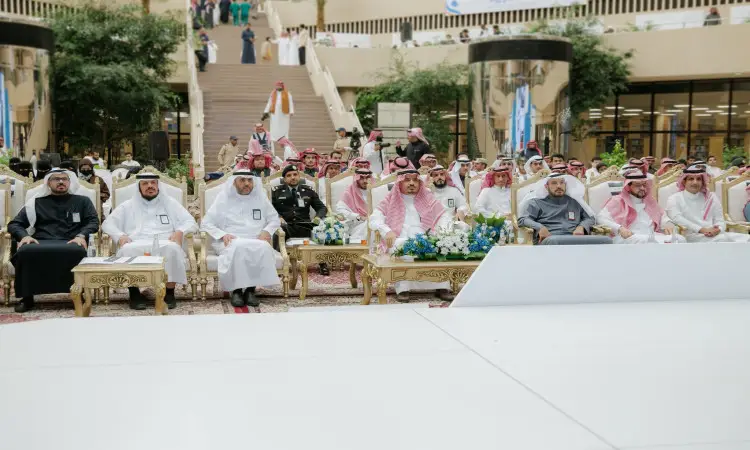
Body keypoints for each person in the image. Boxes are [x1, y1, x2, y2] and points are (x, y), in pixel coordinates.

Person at [101, 173, 199, 310]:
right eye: (145, 183)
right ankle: (134, 294)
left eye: (153, 183)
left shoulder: (170, 203)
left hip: (165, 240)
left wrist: (180, 231)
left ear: (158, 185)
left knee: (173, 249)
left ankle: (169, 294)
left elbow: (190, 222)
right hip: (136, 241)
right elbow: (107, 224)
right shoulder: (128, 205)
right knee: (126, 250)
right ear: (139, 187)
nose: (150, 186)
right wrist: (120, 236)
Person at [8, 169, 99, 312]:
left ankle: (78, 294)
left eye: (64, 179)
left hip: (72, 240)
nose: (61, 182)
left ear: (70, 182)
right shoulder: (36, 202)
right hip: (41, 241)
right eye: (56, 179)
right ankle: (27, 298)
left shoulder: (82, 201)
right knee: (25, 250)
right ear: (48, 183)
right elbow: (15, 224)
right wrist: (24, 236)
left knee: (76, 251)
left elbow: (93, 222)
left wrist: (81, 235)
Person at [369, 170, 454, 302]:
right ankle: (403, 288)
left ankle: (442, 285)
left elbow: (444, 215)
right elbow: (374, 219)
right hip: (399, 239)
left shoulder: (428, 197)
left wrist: (442, 231)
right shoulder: (390, 199)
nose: (412, 183)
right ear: (399, 182)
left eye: (415, 180)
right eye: (407, 180)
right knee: (403, 246)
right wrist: (387, 231)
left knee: (438, 245)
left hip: (425, 237)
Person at [201, 170, 281, 307]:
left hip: (256, 239)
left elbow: (274, 220)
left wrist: (266, 231)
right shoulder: (223, 198)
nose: (246, 184)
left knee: (262, 247)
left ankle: (250, 290)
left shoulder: (260, 198)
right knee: (238, 247)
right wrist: (222, 234)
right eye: (242, 180)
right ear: (234, 182)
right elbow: (206, 223)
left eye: (249, 180)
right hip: (230, 240)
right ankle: (236, 291)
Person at [665, 165, 750, 243]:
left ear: (702, 182)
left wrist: (718, 229)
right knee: (723, 240)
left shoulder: (711, 197)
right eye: (691, 179)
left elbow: (720, 220)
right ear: (684, 182)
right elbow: (677, 218)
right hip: (691, 236)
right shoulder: (674, 198)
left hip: (715, 234)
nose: (695, 182)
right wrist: (702, 229)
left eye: (698, 179)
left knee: (746, 238)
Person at [596, 169, 684, 244]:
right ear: (628, 187)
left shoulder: (650, 201)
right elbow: (601, 218)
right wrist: (619, 228)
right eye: (638, 185)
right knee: (645, 241)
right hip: (629, 237)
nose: (642, 188)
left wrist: (667, 223)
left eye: (644, 185)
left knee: (680, 239)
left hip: (652, 236)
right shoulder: (618, 201)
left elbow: (662, 216)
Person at [271, 165, 329, 274]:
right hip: (287, 225)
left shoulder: (308, 191)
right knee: (279, 231)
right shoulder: (277, 192)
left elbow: (322, 208)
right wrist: (279, 217)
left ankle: (322, 262)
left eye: (295, 174)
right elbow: (270, 209)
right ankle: (278, 264)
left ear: (299, 176)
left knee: (319, 229)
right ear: (284, 179)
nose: (293, 177)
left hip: (305, 225)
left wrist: (317, 218)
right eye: (289, 175)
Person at [518, 173, 599, 245]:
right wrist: (540, 227)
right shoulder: (536, 202)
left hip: (575, 238)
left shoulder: (575, 202)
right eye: (554, 183)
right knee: (555, 241)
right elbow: (523, 219)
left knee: (605, 241)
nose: (559, 186)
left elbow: (590, 217)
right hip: (550, 238)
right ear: (546, 186)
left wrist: (581, 227)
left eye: (561, 183)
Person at [335, 169, 373, 241]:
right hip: (357, 224)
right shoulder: (349, 192)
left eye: (367, 178)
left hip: (374, 221)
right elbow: (340, 209)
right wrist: (358, 217)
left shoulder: (375, 190)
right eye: (361, 178)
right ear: (357, 179)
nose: (365, 181)